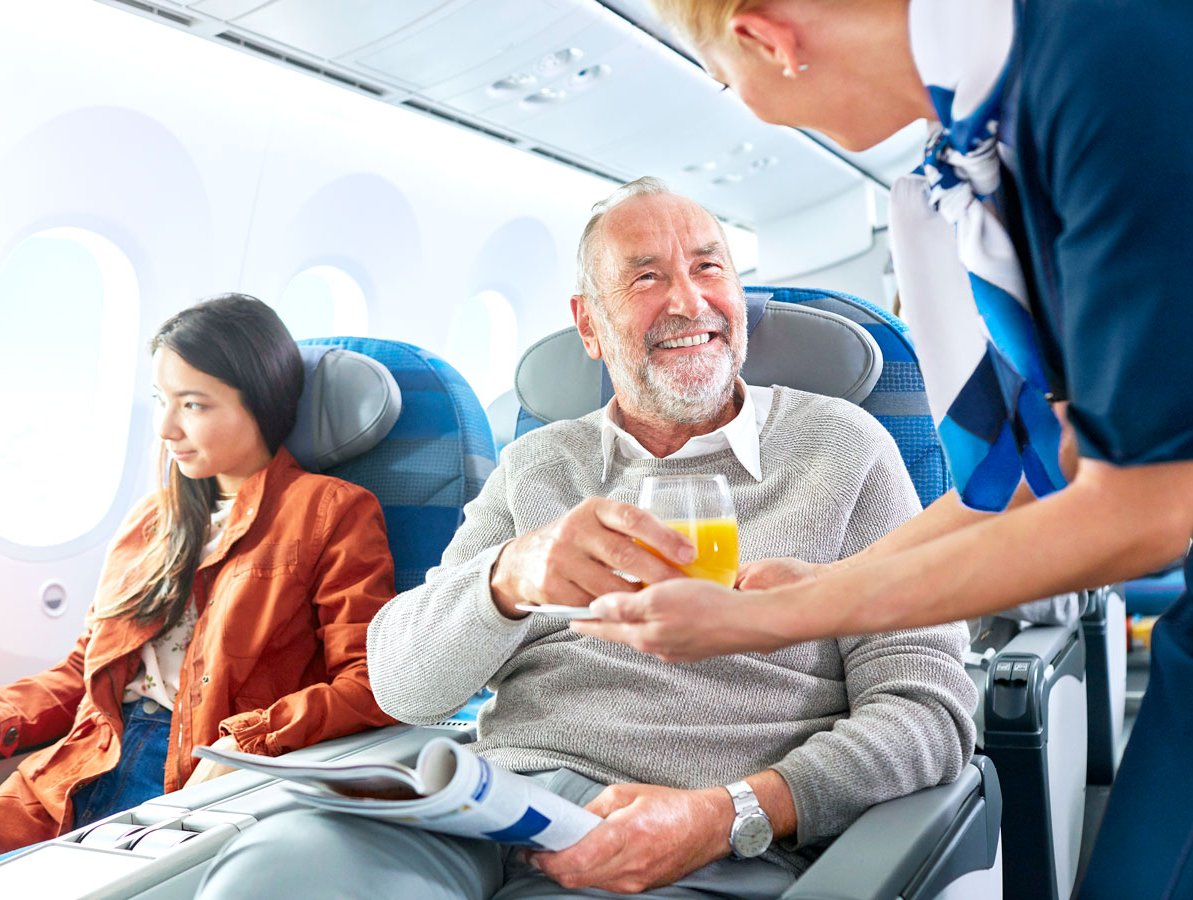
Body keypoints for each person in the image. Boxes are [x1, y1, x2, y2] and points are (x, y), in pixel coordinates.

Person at [196, 179, 976, 899]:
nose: (688, 300)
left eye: (709, 268)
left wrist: (732, 814)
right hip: (501, 810)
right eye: (645, 278)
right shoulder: (539, 462)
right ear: (589, 326)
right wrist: (506, 578)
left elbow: (929, 713)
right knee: (275, 870)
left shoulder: (845, 447)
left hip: (713, 836)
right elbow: (404, 684)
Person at [573, 3, 1193, 899]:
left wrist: (772, 621)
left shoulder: (1103, 58)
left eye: (721, 76)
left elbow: (1146, 508)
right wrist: (821, 590)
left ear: (767, 38)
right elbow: (1026, 475)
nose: (733, 99)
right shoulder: (995, 142)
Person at [0, 294, 396, 855]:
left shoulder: (332, 511)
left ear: (260, 403)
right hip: (83, 759)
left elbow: (369, 686)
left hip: (197, 770)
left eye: (193, 405)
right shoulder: (153, 517)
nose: (165, 427)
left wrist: (248, 745)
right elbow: (83, 672)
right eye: (161, 399)